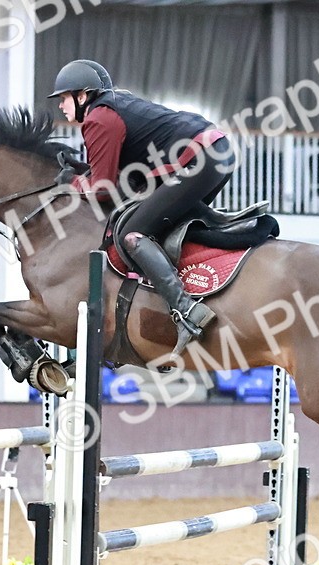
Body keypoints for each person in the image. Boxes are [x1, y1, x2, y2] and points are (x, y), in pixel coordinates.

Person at [48, 59, 234, 356]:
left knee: (133, 235)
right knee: (161, 226)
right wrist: (83, 172)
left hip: (199, 159)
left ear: (82, 96)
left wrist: (71, 182)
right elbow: (122, 177)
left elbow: (102, 190)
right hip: (213, 152)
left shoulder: (98, 118)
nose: (60, 105)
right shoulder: (114, 106)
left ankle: (187, 312)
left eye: (63, 98)